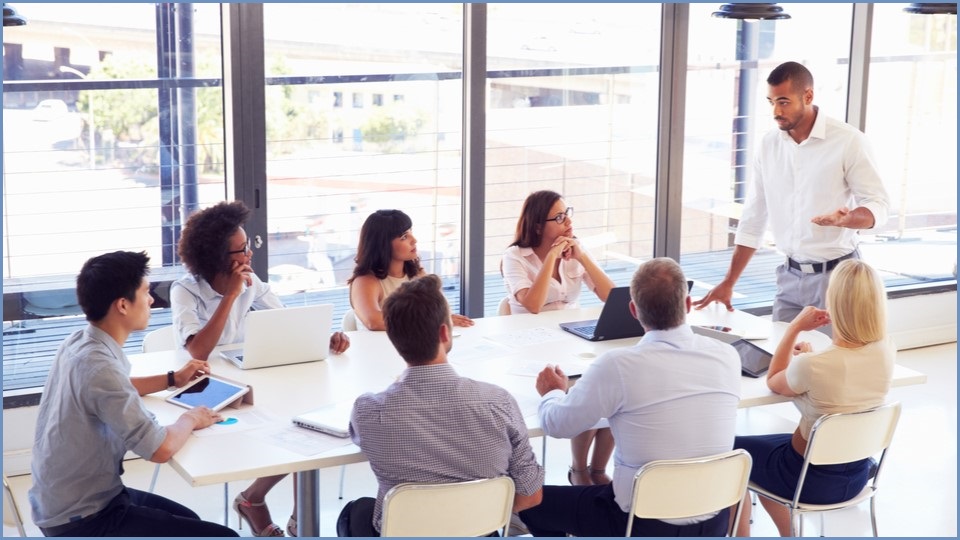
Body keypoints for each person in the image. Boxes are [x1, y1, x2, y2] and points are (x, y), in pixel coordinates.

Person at [517, 257, 741, 537]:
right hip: (714, 521)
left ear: (633, 310)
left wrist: (552, 392)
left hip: (637, 524)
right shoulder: (727, 355)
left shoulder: (619, 366)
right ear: (687, 305)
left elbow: (557, 425)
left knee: (532, 501)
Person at [27, 250, 238, 537]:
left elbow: (117, 388)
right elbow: (159, 449)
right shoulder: (100, 366)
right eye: (145, 292)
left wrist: (173, 379)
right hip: (84, 519)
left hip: (64, 499)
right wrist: (190, 418)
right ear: (123, 305)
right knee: (225, 536)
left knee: (190, 518)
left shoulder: (81, 342)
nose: (151, 300)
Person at [171, 200, 350, 537]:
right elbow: (199, 349)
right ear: (217, 257)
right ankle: (256, 501)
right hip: (206, 384)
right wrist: (231, 295)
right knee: (299, 427)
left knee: (308, 422)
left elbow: (284, 318)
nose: (249, 255)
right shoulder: (186, 290)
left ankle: (295, 517)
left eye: (247, 246)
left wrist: (325, 337)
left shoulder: (250, 279)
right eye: (241, 250)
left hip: (248, 373)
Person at [337, 274, 544, 536]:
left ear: (394, 339)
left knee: (355, 512)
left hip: (407, 530)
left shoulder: (369, 411)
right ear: (445, 332)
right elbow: (530, 497)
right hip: (480, 531)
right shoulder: (498, 402)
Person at [693, 61, 890, 332]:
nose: (776, 111)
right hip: (789, 276)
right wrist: (729, 281)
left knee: (829, 366)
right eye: (771, 102)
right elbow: (754, 218)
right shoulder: (769, 144)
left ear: (808, 96)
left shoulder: (848, 141)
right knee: (781, 363)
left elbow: (878, 205)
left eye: (784, 102)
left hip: (838, 277)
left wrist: (847, 219)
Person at [732, 259, 894, 536]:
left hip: (807, 480)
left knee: (733, 453)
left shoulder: (813, 365)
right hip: (857, 476)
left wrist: (794, 327)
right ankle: (790, 534)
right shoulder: (886, 350)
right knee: (767, 451)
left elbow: (774, 381)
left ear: (834, 303)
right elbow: (843, 368)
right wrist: (808, 359)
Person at [501, 190, 616, 486]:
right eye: (560, 217)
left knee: (614, 387)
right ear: (539, 226)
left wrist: (584, 257)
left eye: (568, 214)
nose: (568, 223)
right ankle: (579, 470)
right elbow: (533, 305)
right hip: (531, 345)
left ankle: (599, 469)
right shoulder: (515, 257)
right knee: (588, 392)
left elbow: (610, 296)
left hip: (572, 339)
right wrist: (551, 257)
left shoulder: (575, 254)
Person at [347, 208, 473, 331]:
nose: (414, 240)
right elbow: (373, 321)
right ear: (382, 245)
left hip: (411, 348)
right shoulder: (365, 281)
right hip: (377, 349)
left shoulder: (418, 275)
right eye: (404, 237)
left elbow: (442, 311)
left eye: (411, 232)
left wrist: (442, 319)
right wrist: (432, 320)